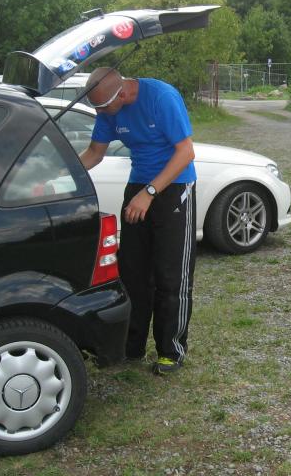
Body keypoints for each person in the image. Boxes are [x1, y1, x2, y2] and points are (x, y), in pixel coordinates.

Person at [79, 67, 196, 374]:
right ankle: (132, 347)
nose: (100, 113)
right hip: (139, 186)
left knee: (171, 275)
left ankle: (171, 350)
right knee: (132, 272)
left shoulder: (161, 98)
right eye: (96, 108)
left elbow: (186, 152)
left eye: (103, 107)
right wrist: (61, 174)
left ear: (122, 94)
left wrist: (150, 192)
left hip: (174, 187)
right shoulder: (108, 108)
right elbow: (94, 153)